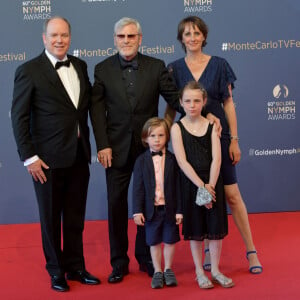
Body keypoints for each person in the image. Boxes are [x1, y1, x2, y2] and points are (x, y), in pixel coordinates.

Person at [166, 16, 262, 274]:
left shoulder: (219, 65)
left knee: (231, 194)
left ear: (204, 37)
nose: (193, 37)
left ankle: (251, 250)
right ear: (181, 39)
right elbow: (170, 108)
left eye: (197, 33)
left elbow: (228, 104)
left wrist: (234, 139)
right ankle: (207, 249)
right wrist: (164, 138)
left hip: (219, 137)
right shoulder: (173, 69)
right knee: (202, 194)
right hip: (189, 141)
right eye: (187, 34)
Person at [11, 16, 100, 292]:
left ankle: (75, 266)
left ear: (70, 37)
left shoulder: (81, 65)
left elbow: (81, 110)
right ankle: (55, 271)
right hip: (46, 160)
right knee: (50, 218)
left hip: (78, 155)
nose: (59, 40)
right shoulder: (29, 70)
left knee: (75, 216)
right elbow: (19, 117)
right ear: (44, 38)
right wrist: (29, 157)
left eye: (64, 35)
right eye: (53, 35)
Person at [90, 17, 180, 284]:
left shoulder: (156, 66)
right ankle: (118, 263)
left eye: (131, 36)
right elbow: (96, 111)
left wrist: (204, 114)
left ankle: (145, 258)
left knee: (150, 205)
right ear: (115, 39)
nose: (126, 41)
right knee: (117, 205)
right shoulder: (102, 69)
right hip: (114, 149)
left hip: (147, 149)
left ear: (140, 39)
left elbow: (174, 99)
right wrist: (103, 145)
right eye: (121, 36)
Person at [171, 81, 234, 288]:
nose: (192, 105)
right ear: (181, 102)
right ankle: (199, 271)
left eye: (197, 101)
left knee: (215, 229)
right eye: (187, 101)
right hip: (191, 184)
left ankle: (215, 269)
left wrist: (211, 187)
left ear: (204, 102)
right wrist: (201, 187)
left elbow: (217, 159)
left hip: (213, 182)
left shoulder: (211, 126)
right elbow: (182, 161)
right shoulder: (177, 128)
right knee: (196, 230)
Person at [132, 117, 183, 289]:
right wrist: (137, 211)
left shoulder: (173, 160)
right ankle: (157, 270)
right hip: (150, 211)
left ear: (167, 137)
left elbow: (178, 187)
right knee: (153, 242)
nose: (157, 139)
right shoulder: (141, 161)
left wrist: (179, 210)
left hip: (169, 210)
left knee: (169, 240)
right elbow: (137, 188)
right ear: (145, 138)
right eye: (152, 135)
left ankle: (168, 269)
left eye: (161, 135)